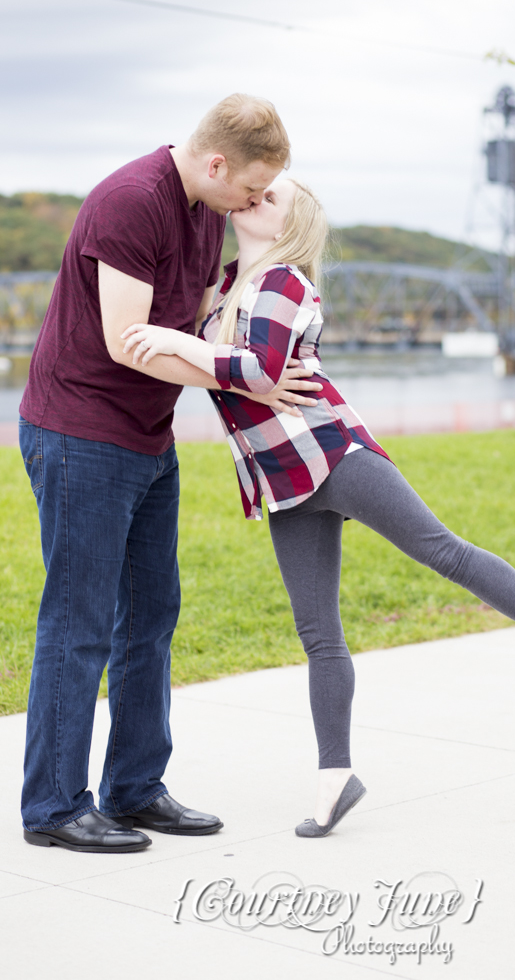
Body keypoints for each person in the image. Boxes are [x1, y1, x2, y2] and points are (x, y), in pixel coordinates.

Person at [121, 177, 515, 840]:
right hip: (283, 479)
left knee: (441, 551)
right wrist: (187, 343)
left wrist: (184, 345)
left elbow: (256, 373)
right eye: (253, 191)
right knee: (318, 633)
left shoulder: (284, 282)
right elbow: (225, 371)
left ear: (290, 226)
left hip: (335, 454)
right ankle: (336, 778)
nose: (253, 199)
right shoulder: (221, 288)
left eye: (270, 199)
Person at [17, 95, 325, 854]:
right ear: (216, 161)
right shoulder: (132, 201)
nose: (254, 203)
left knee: (151, 615)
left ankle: (134, 788)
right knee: (79, 619)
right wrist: (241, 376)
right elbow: (129, 342)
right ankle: (54, 806)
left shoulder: (204, 207)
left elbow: (196, 320)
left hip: (147, 438)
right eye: (251, 190)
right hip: (80, 430)